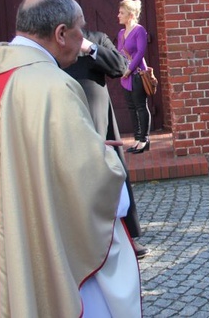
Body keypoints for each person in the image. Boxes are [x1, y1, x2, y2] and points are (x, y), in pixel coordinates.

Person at [0, 0, 141, 318]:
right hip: (43, 241)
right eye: (80, 28)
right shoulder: (52, 85)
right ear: (61, 34)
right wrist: (102, 161)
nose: (82, 36)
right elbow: (93, 184)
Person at [65, 28, 149, 259]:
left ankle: (125, 237)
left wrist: (88, 47)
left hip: (98, 121)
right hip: (65, 122)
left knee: (113, 179)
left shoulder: (95, 39)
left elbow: (121, 66)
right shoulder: (51, 45)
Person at [117, 0, 151, 154]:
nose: (118, 15)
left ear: (130, 15)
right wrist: (121, 68)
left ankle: (144, 140)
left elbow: (140, 52)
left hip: (137, 74)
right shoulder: (121, 32)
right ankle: (137, 139)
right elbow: (119, 52)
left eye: (122, 13)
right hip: (126, 76)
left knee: (140, 107)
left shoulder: (139, 30)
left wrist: (129, 69)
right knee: (131, 108)